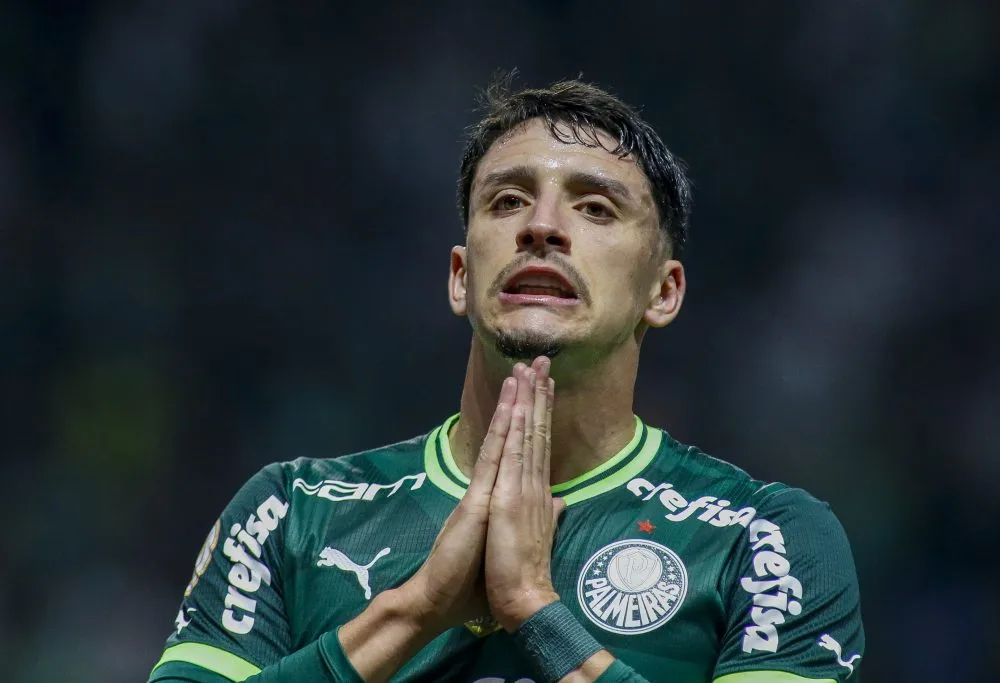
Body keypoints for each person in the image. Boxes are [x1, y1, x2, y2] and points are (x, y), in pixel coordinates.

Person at [148, 76, 865, 683]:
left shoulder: (765, 536)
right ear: (461, 277)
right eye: (508, 201)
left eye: (595, 208)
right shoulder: (292, 513)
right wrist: (415, 610)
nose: (541, 227)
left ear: (663, 290)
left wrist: (532, 609)